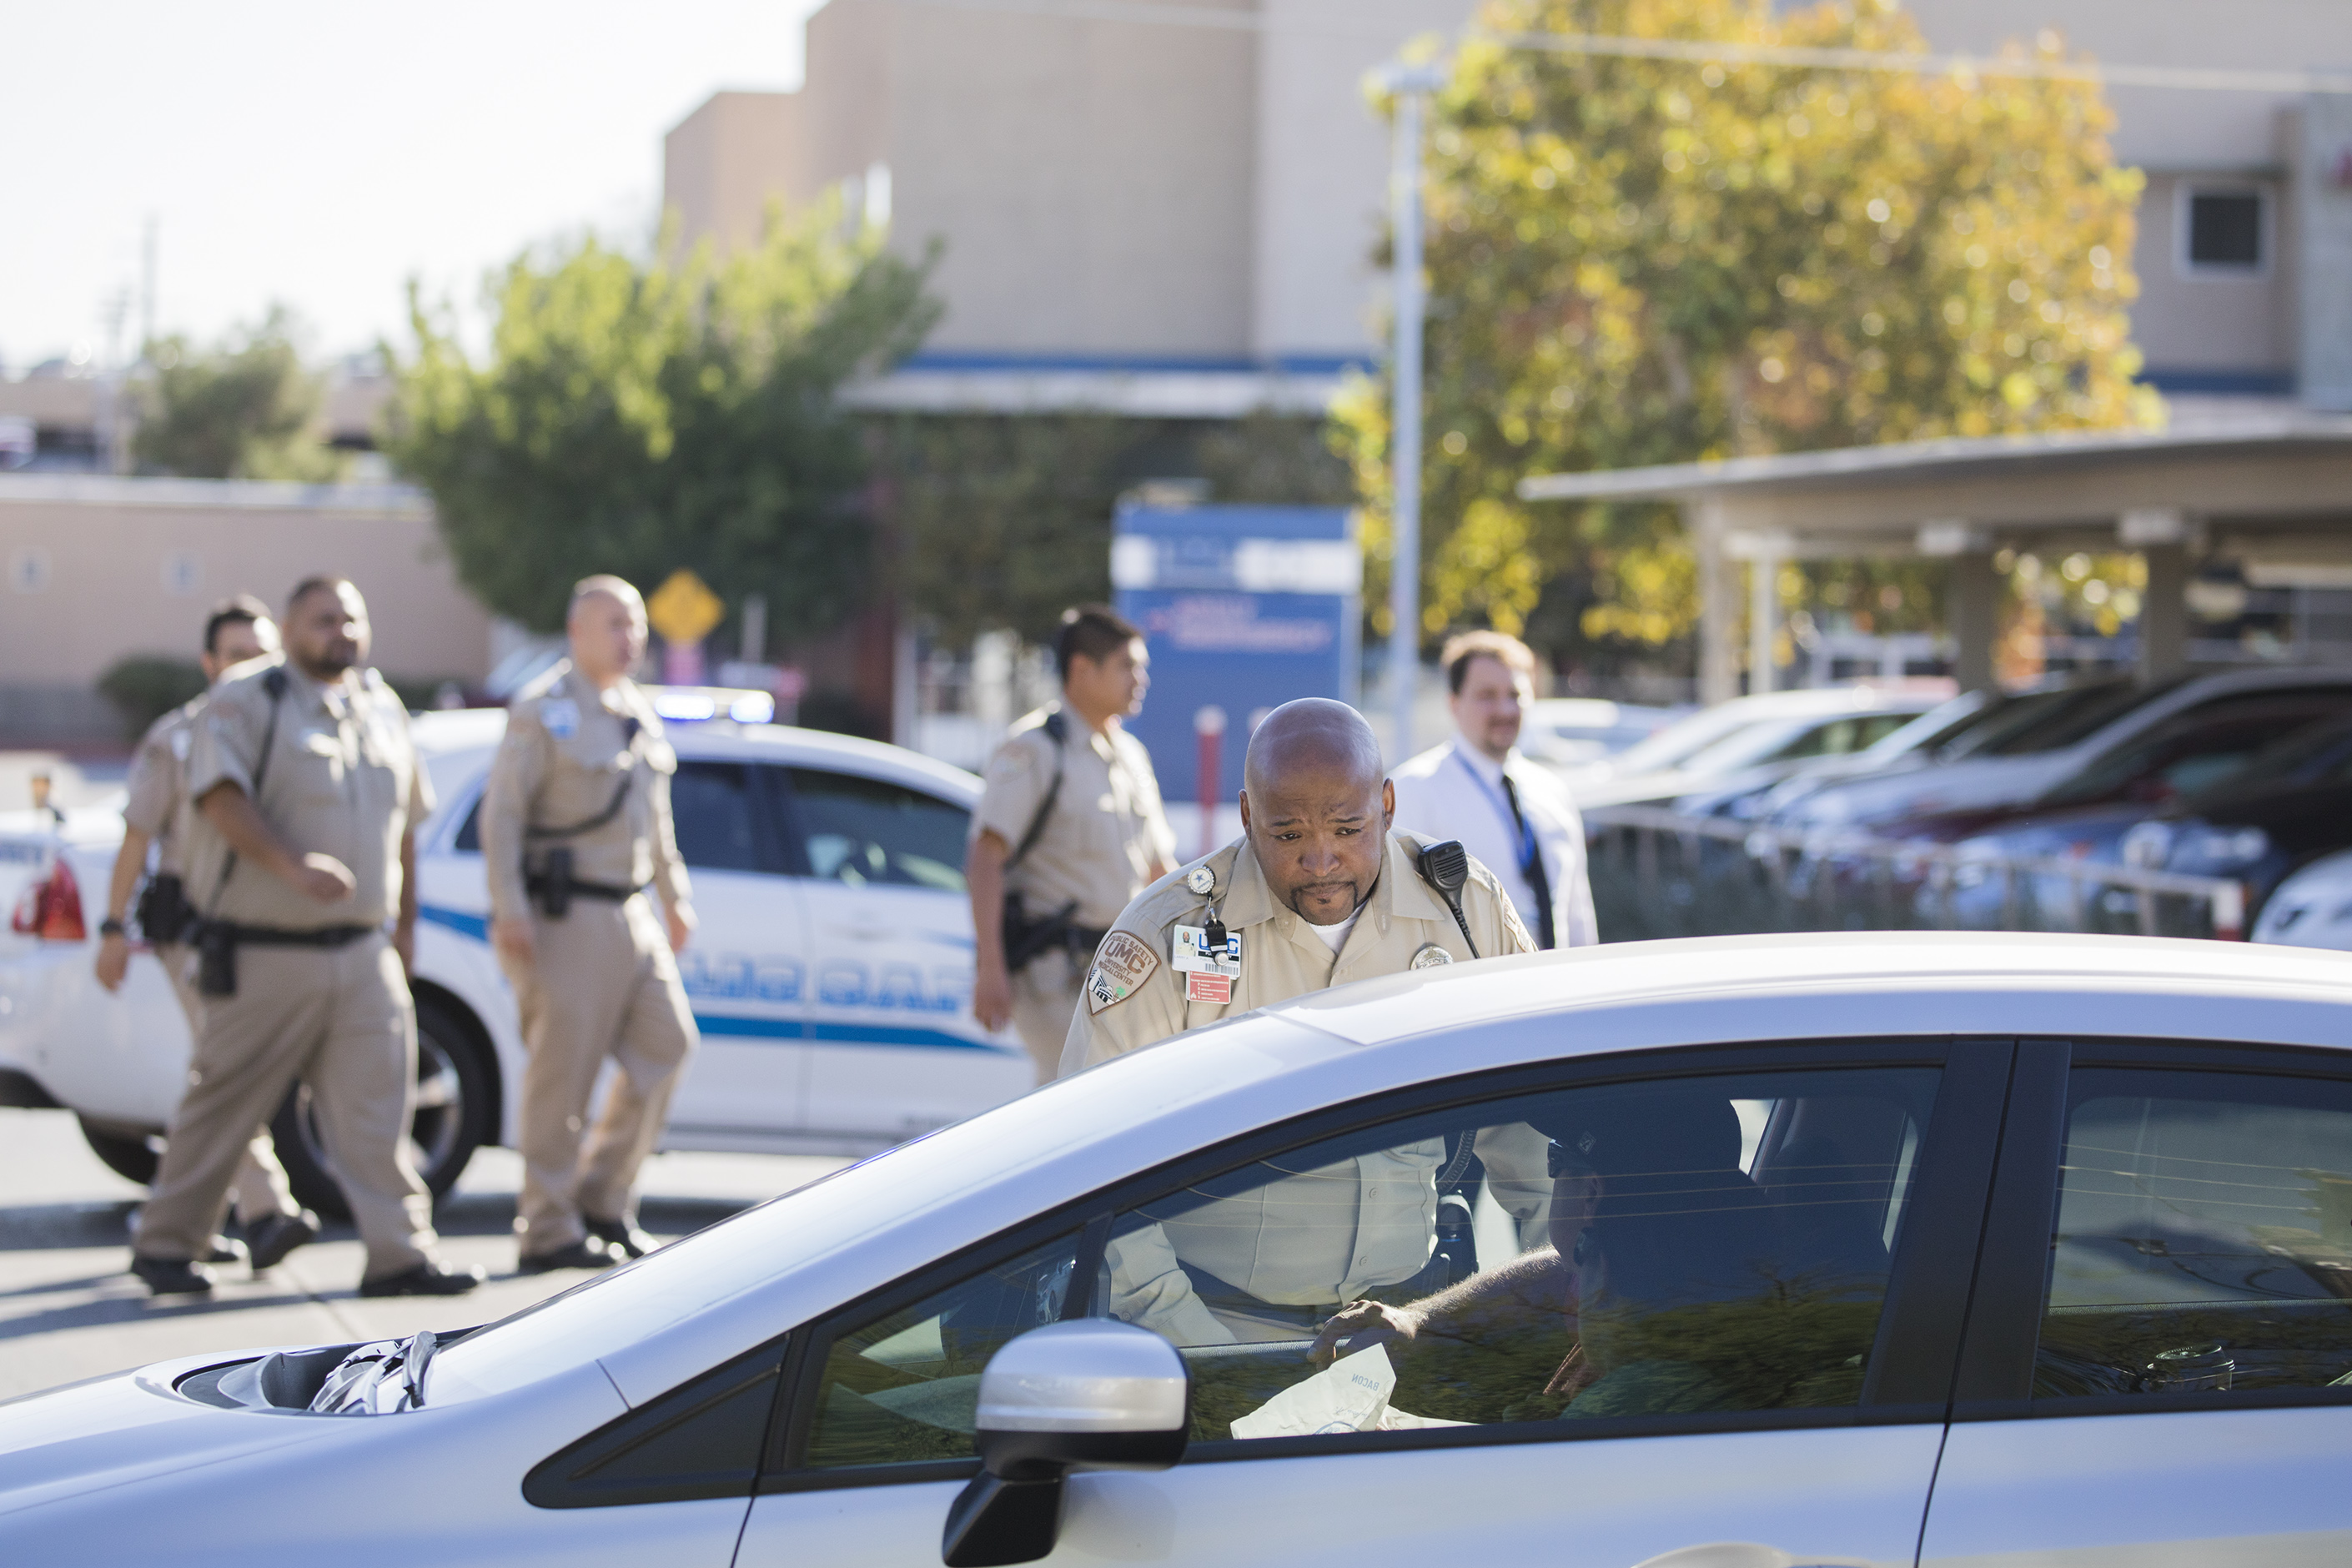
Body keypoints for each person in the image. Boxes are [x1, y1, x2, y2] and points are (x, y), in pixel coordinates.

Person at [1063, 698, 1539, 1342]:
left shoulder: (1463, 912)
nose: (1320, 861)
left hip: (1410, 1332)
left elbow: (1537, 1127)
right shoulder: (1169, 935)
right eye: (1288, 835)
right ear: (1247, 815)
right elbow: (1096, 1148)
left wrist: (1576, 1294)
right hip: (1222, 1328)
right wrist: (1193, 1349)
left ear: (1388, 805)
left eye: (1348, 829)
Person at [126, 576, 481, 1298]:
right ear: (289, 629)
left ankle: (399, 1257)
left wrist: (405, 923)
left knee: (380, 1110)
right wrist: (290, 865)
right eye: (323, 620)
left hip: (361, 953)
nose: (341, 631)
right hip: (266, 951)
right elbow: (219, 799)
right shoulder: (247, 700)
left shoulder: (381, 709)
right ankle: (167, 1245)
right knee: (223, 1105)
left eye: (351, 617)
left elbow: (404, 828)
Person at [481, 575, 697, 1274]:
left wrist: (675, 895)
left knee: (667, 1045)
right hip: (564, 914)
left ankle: (603, 1199)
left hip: (631, 912)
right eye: (615, 625)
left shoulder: (637, 709)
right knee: (562, 1078)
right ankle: (545, 1227)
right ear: (577, 633)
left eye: (635, 624)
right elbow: (504, 816)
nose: (630, 637)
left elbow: (656, 822)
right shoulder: (545, 710)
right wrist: (509, 907)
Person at [97, 596, 317, 1272]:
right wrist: (111, 926)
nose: (248, 667)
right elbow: (138, 836)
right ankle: (264, 1211)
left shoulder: (295, 727)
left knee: (224, 1075)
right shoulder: (181, 736)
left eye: (260, 654)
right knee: (226, 1073)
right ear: (209, 663)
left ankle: (208, 1217)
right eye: (235, 656)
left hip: (269, 934)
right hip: (197, 932)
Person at [966, 604, 1176, 1084]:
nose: (1140, 678)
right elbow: (985, 858)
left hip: (1121, 968)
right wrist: (990, 968)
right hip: (1054, 974)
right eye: (1127, 666)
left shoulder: (1130, 756)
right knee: (1082, 1093)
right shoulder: (1035, 750)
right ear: (1082, 669)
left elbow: (1160, 871)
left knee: (1109, 1100)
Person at [1390, 630, 1597, 952]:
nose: (1505, 710)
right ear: (1454, 703)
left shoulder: (1552, 792)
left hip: (1558, 990)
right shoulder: (1414, 792)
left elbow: (1578, 912)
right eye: (1487, 695)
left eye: (1515, 695)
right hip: (1474, 994)